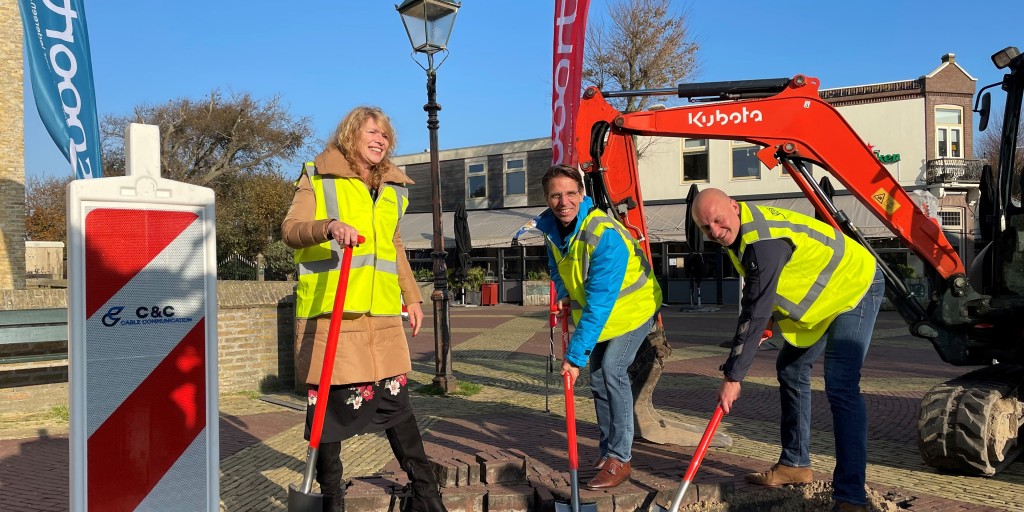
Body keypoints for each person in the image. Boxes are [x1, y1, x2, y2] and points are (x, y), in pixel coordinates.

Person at [282, 106, 446, 512]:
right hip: (335, 315)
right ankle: (332, 500)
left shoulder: (393, 188)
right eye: (372, 132)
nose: (380, 140)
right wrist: (328, 226)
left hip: (382, 315)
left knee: (398, 406)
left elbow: (394, 247)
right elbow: (290, 229)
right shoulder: (317, 176)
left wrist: (411, 297)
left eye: (386, 135)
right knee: (329, 418)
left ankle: (428, 496)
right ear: (351, 135)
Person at [690, 188, 884, 512]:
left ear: (734, 207)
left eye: (719, 221)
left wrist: (734, 377)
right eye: (706, 227)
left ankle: (851, 497)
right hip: (825, 297)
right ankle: (795, 464)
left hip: (854, 285)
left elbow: (754, 310)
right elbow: (770, 291)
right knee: (791, 369)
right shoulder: (740, 234)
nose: (715, 232)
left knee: (841, 386)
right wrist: (768, 321)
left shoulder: (761, 242)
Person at [535, 164, 662, 490]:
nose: (563, 201)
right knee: (598, 380)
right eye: (556, 195)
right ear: (548, 199)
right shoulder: (552, 229)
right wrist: (564, 295)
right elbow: (557, 267)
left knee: (610, 371)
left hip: (633, 310)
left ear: (582, 194)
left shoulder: (604, 234)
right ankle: (608, 451)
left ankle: (621, 458)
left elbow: (600, 303)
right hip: (603, 314)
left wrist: (574, 358)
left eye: (570, 193)